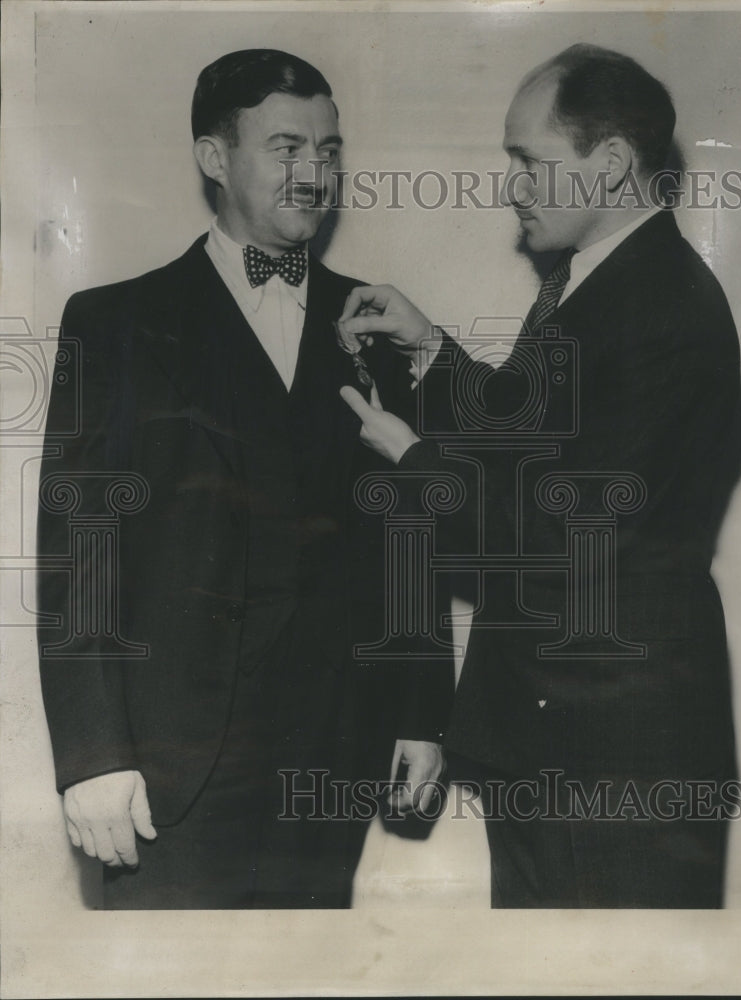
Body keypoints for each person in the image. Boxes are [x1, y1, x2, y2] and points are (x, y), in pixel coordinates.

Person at [37, 48, 452, 910]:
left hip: (331, 758)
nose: (315, 174)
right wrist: (91, 756)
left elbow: (408, 537)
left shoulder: (380, 328)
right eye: (287, 148)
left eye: (330, 151)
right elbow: (80, 553)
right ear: (213, 158)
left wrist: (421, 712)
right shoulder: (113, 323)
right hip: (165, 770)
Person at [339, 43, 741, 907]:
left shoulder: (665, 310)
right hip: (565, 743)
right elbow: (542, 447)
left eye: (530, 160)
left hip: (613, 762)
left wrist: (412, 460)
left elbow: (563, 536)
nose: (511, 185)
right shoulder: (606, 282)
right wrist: (430, 347)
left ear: (609, 164)